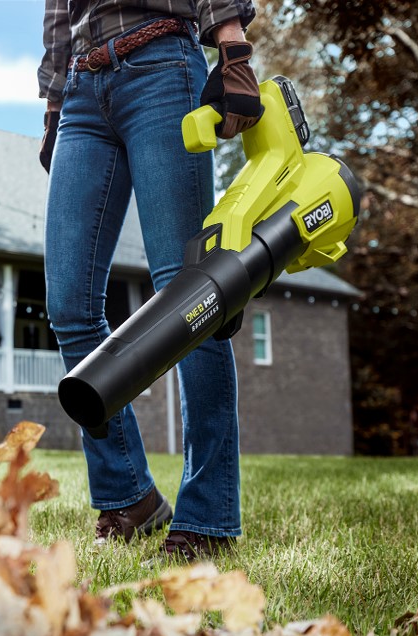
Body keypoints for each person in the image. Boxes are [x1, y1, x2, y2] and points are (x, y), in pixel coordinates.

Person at [38, 0, 261, 561]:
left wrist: (231, 43)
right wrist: (53, 99)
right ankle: (129, 496)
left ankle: (208, 515)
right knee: (69, 303)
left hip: (161, 63)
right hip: (83, 90)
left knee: (192, 298)